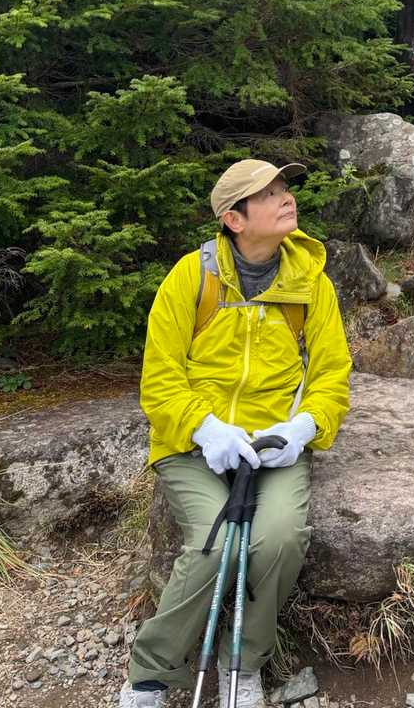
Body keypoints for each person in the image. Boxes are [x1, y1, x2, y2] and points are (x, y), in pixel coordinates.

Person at [119, 159, 352, 708]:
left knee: (280, 539)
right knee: (214, 542)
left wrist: (304, 428)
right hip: (192, 445)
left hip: (273, 445)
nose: (286, 198)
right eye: (267, 194)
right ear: (234, 219)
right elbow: (159, 379)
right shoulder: (191, 277)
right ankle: (149, 676)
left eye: (284, 188)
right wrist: (205, 429)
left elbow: (332, 373)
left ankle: (242, 663)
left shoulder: (310, 283)